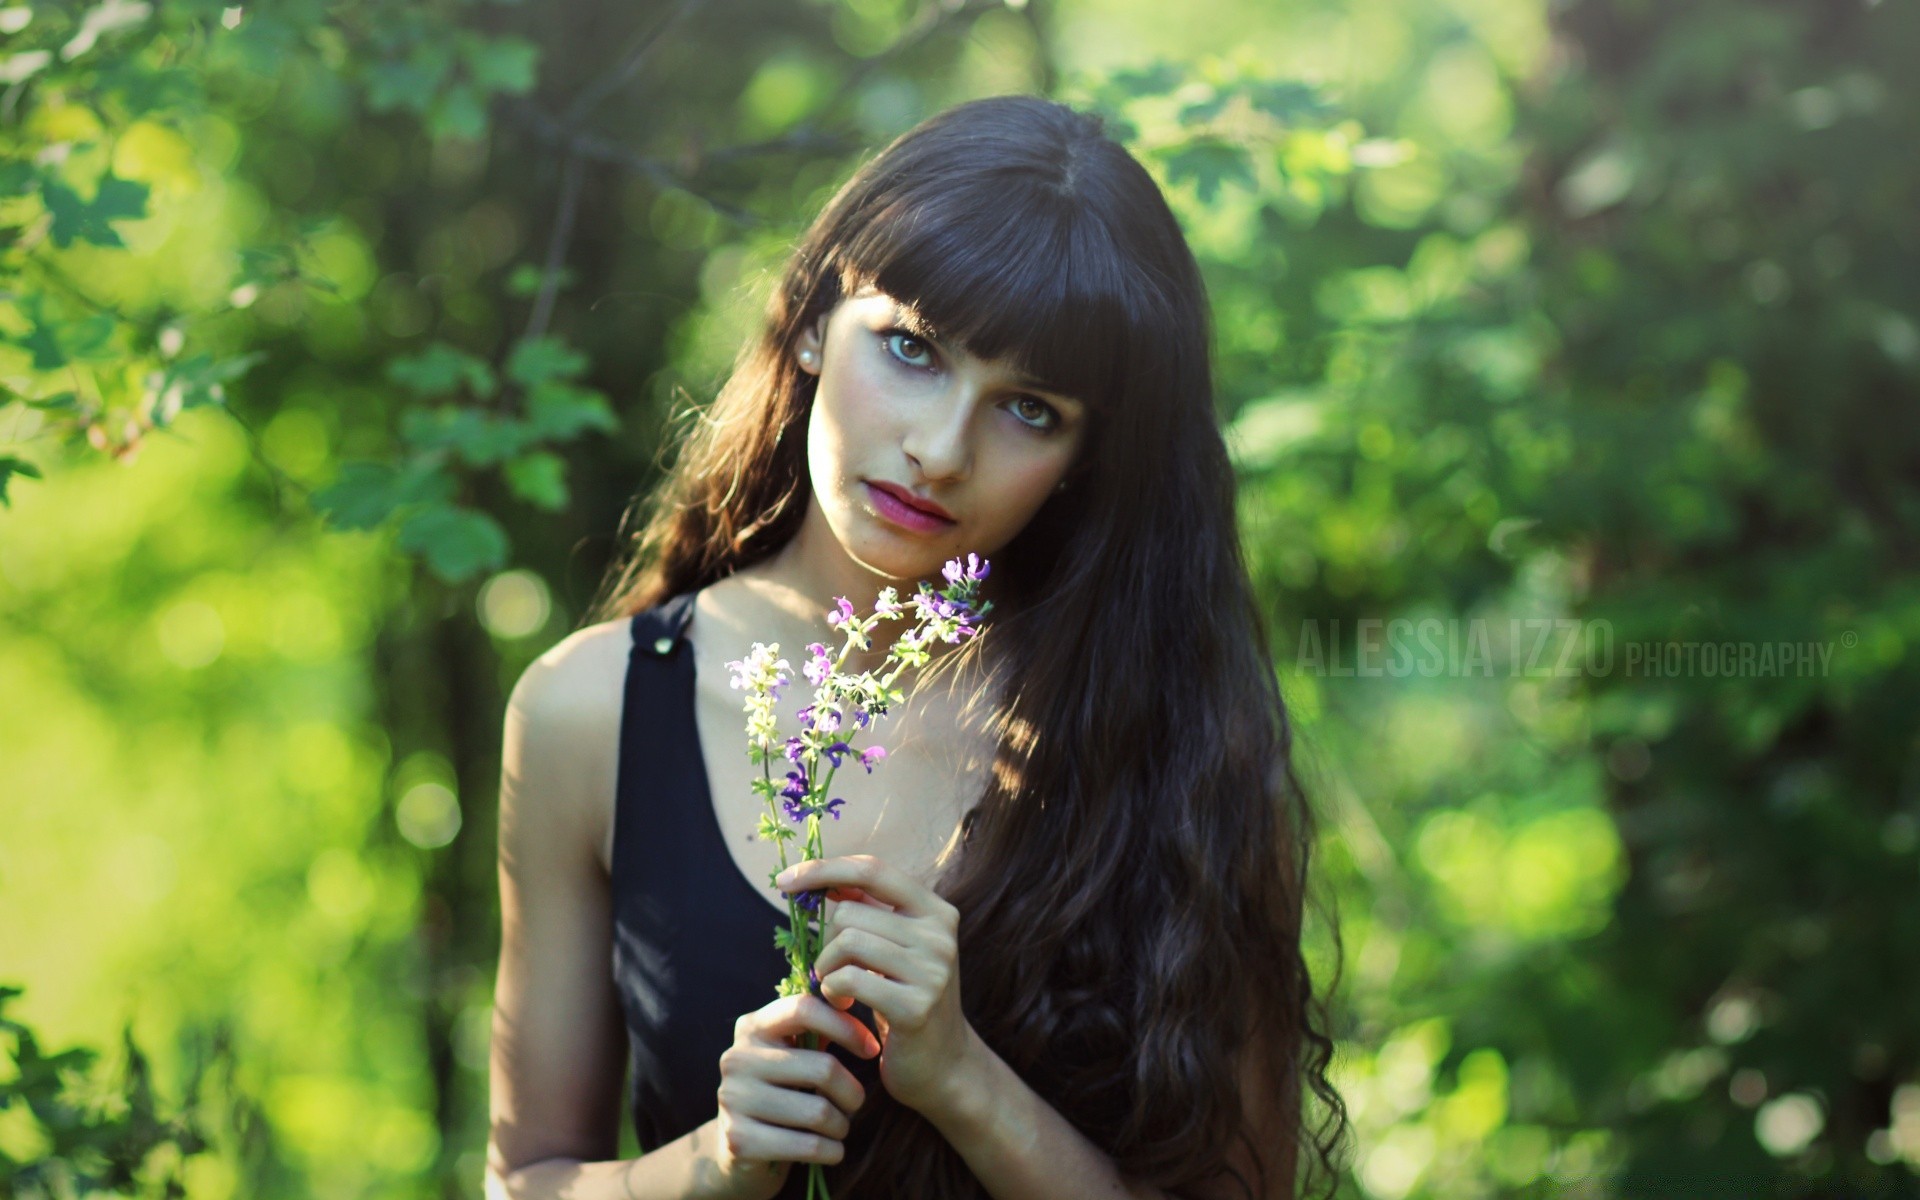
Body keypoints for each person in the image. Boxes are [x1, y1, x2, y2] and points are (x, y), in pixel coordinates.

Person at [484, 94, 1347, 1200]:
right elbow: (524, 1182)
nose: (940, 450)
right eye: (911, 349)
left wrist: (963, 1083)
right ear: (808, 319)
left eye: (1029, 409)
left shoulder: (1181, 740)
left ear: (1092, 454)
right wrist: (714, 1166)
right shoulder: (590, 712)